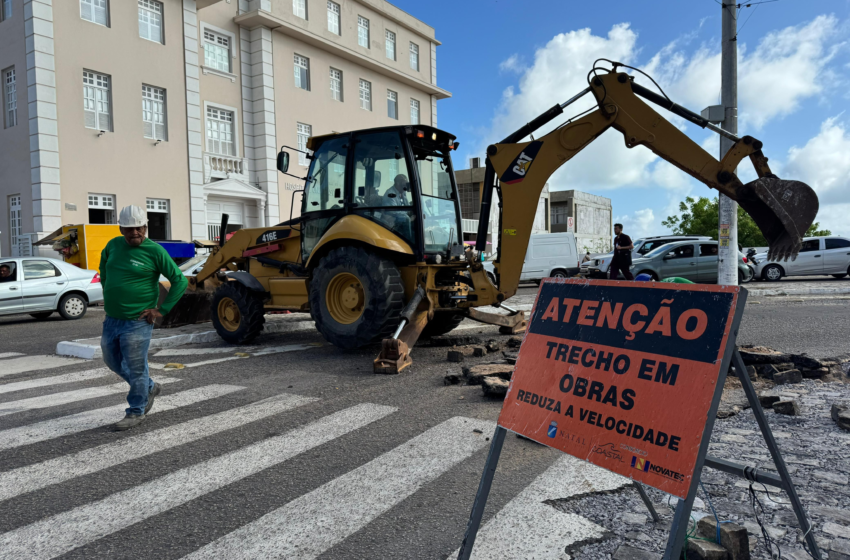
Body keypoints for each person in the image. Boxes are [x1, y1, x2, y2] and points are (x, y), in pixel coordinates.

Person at [100, 205, 188, 431]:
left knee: (136, 367)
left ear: (145, 227)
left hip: (138, 322)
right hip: (112, 319)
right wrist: (112, 297)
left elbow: (179, 280)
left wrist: (162, 310)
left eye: (139, 228)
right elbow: (105, 274)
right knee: (111, 360)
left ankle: (136, 411)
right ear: (121, 229)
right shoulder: (111, 246)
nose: (135, 233)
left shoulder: (155, 251)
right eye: (129, 229)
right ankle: (149, 386)